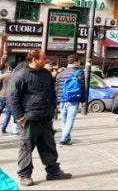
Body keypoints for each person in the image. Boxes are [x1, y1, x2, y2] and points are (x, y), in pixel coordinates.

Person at [9, 50, 72, 187]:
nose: (46, 60)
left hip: (45, 117)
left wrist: (53, 108)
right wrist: (19, 117)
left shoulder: (46, 74)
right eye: (43, 58)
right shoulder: (20, 75)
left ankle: (53, 172)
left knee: (49, 146)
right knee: (26, 148)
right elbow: (12, 97)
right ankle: (25, 175)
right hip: (29, 118)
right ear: (34, 59)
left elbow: (51, 92)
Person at [54, 54, 87, 145]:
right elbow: (82, 87)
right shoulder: (79, 72)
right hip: (73, 99)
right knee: (70, 120)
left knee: (64, 120)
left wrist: (57, 101)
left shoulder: (60, 73)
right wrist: (83, 100)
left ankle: (66, 137)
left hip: (62, 100)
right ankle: (64, 139)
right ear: (75, 62)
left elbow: (57, 88)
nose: (80, 63)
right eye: (79, 62)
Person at [0, 63, 16, 134]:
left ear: (9, 67)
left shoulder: (3, 75)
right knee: (8, 114)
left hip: (2, 95)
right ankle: (3, 128)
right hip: (10, 96)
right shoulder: (16, 76)